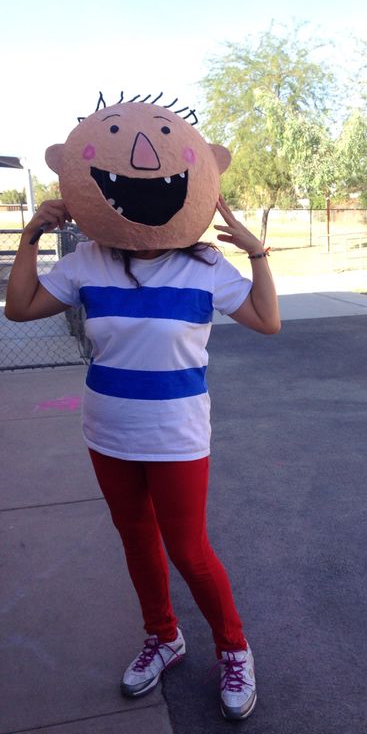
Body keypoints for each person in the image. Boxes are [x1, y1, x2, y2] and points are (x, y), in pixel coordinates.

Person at [5, 193, 280, 721]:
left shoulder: (204, 266)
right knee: (136, 540)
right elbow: (19, 309)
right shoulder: (87, 260)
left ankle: (234, 649)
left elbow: (268, 321)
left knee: (190, 551)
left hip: (176, 436)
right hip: (108, 432)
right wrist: (30, 237)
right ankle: (163, 636)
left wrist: (256, 253)